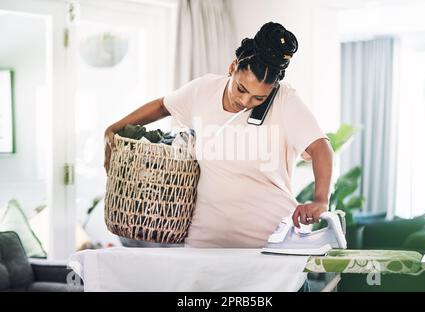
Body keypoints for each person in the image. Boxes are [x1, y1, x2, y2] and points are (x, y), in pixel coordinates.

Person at [104, 21, 333, 248]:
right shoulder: (204, 90)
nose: (245, 101)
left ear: (272, 90)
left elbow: (321, 147)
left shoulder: (285, 100)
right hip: (205, 243)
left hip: (271, 245)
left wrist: (321, 200)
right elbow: (163, 106)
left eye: (258, 98)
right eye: (241, 89)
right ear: (233, 67)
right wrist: (112, 129)